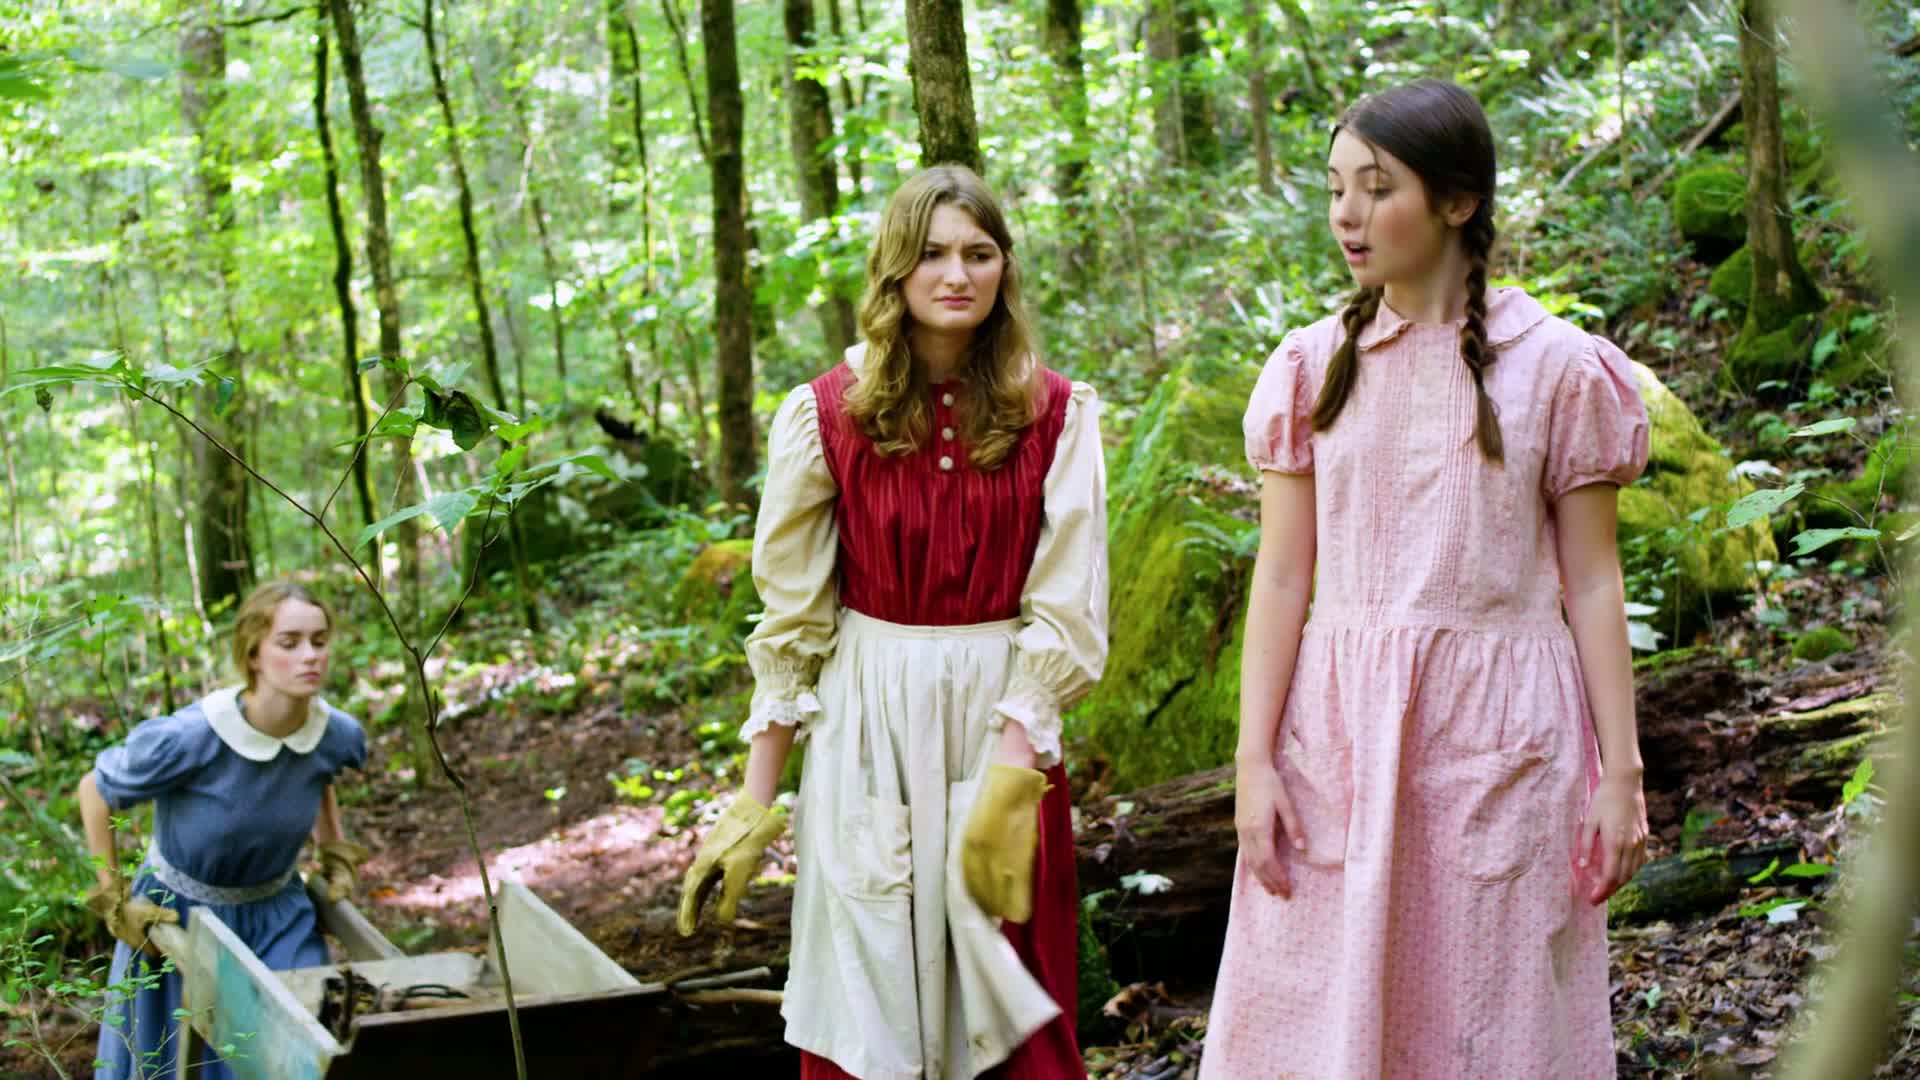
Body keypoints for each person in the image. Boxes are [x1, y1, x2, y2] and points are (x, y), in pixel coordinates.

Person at [1200, 79, 1651, 1078]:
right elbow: (1282, 579)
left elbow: (1593, 583)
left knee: (1496, 1021)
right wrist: (1253, 762)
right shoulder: (1311, 366)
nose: (1346, 216)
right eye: (1334, 190)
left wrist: (1619, 774)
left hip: (1505, 741)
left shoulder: (1557, 368)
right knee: (1320, 1021)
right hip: (1338, 740)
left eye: (1376, 188)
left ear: (1456, 201)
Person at [678, 164, 1108, 1080]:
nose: (957, 275)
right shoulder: (826, 414)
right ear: (895, 269)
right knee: (866, 996)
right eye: (933, 254)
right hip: (866, 725)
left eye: (979, 253)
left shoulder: (1056, 414)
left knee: (1010, 1008)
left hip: (1003, 726)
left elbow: (1067, 608)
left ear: (1004, 267)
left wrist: (1012, 772)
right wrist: (756, 798)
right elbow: (793, 624)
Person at [79, 581, 369, 1080]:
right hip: (180, 917)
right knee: (178, 1061)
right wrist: (114, 898)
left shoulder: (335, 732)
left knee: (300, 1052)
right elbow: (94, 789)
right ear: (254, 654)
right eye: (290, 642)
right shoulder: (193, 737)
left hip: (279, 915)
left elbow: (320, 772)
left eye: (319, 641)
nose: (310, 656)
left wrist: (333, 850)